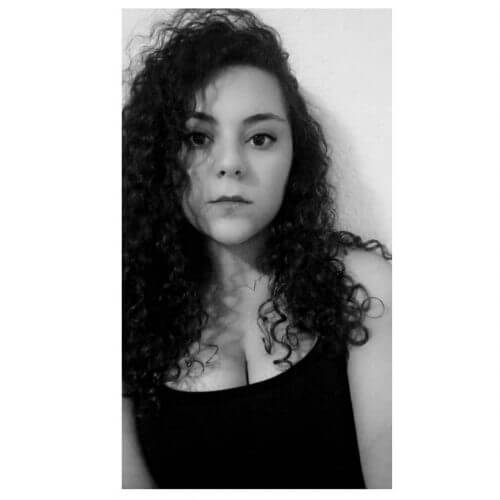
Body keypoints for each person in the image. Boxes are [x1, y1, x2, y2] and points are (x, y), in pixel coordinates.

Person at [122, 8, 391, 489]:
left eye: (260, 138)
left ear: (295, 156)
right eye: (197, 138)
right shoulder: (119, 314)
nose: (230, 164)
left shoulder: (361, 288)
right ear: (159, 155)